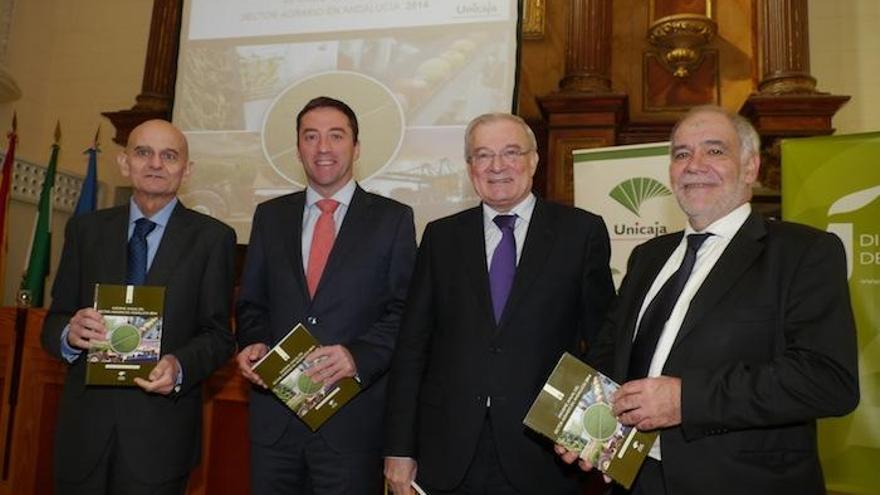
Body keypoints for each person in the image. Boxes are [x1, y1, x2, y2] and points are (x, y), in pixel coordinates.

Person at [558, 105, 860, 494]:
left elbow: (827, 380)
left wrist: (687, 399)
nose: (694, 164)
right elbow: (608, 351)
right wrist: (584, 426)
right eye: (681, 153)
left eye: (715, 150)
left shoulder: (804, 252)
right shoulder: (648, 256)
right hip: (633, 479)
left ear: (750, 167)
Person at [384, 113, 615, 494]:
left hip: (545, 454)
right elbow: (412, 350)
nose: (497, 166)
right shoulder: (441, 238)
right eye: (483, 155)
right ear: (470, 167)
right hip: (450, 453)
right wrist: (398, 449)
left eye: (510, 153)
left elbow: (606, 342)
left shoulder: (581, 233)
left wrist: (598, 437)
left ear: (534, 160)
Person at [41, 119, 237, 494]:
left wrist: (180, 366)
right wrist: (69, 333)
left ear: (187, 169)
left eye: (169, 155)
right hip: (83, 435)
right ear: (124, 162)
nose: (155, 164)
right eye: (143, 152)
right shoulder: (85, 231)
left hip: (160, 439)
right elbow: (55, 320)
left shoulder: (213, 240)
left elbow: (218, 336)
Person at [236, 96, 417, 494]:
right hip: (274, 427)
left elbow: (405, 311)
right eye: (310, 136)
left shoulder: (393, 219)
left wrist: (357, 356)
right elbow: (252, 303)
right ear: (298, 147)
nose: (323, 148)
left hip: (351, 425)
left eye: (336, 136)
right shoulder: (270, 217)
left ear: (356, 146)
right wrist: (255, 343)